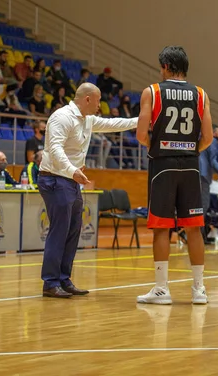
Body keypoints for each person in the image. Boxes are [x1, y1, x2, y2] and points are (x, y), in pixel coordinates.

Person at [38, 83, 138, 298]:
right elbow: (54, 148)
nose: (101, 105)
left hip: (71, 181)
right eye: (98, 100)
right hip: (55, 179)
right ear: (88, 99)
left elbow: (114, 123)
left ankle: (64, 279)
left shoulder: (88, 119)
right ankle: (50, 282)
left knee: (73, 230)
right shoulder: (61, 117)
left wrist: (141, 121)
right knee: (60, 230)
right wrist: (72, 170)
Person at [136, 46, 213, 305]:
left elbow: (140, 133)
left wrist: (156, 147)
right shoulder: (201, 94)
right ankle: (199, 290)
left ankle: (161, 290)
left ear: (166, 66)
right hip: (191, 165)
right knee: (194, 229)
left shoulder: (153, 91)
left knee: (161, 227)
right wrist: (190, 149)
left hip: (162, 166)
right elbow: (208, 138)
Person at [199, 124, 218, 243]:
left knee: (193, 207)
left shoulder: (198, 138)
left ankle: (191, 235)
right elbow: (213, 161)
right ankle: (199, 237)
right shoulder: (212, 140)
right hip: (203, 176)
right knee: (203, 207)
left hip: (192, 174)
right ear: (213, 133)